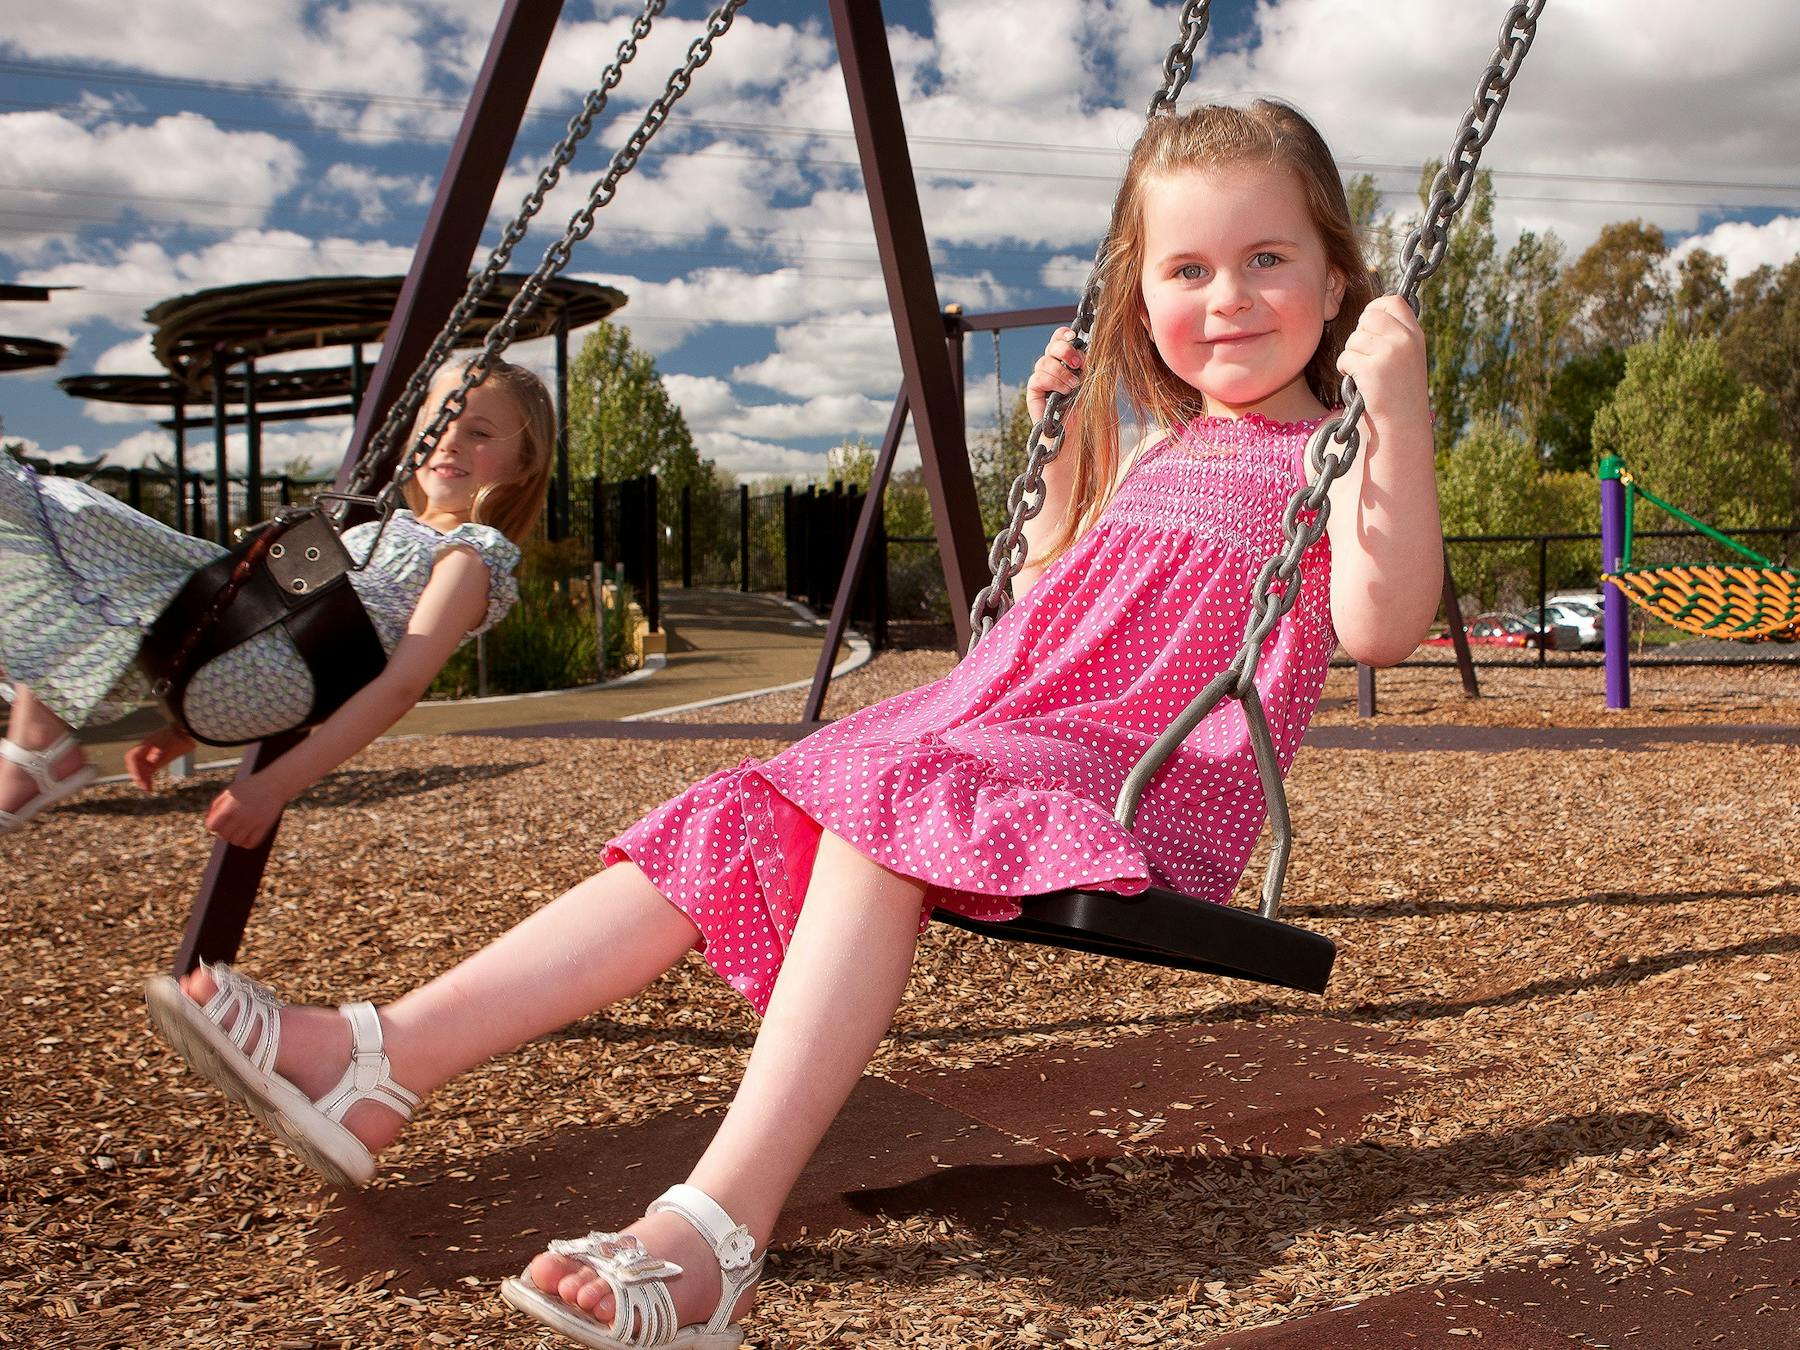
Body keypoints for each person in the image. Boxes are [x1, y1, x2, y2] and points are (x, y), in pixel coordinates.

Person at [144, 99, 1442, 1350]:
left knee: (880, 794)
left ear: (1338, 283)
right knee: (744, 797)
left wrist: (1400, 410)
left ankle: (714, 1232)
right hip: (1007, 725)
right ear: (1141, 297)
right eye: (1189, 266)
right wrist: (1053, 468)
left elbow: (1380, 621)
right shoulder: (1157, 450)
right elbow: (1048, 603)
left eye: (1268, 259)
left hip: (1142, 778)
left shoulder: (1336, 455)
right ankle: (382, 1057)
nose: (1226, 298)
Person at [0, 358, 553, 844]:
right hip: (249, 647)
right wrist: (182, 731)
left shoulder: (469, 557)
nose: (450, 441)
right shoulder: (389, 525)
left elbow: (400, 685)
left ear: (524, 463)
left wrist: (274, 786)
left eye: (479, 432)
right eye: (438, 423)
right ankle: (41, 743)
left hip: (283, 663)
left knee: (72, 516)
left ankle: (35, 754)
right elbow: (280, 607)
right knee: (79, 564)